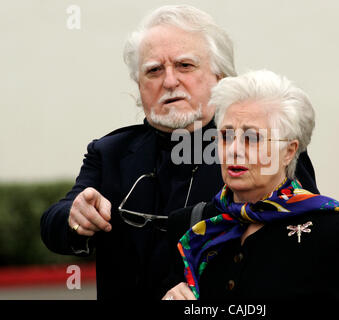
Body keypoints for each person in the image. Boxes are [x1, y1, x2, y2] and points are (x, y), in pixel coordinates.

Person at [40, 6, 319, 300]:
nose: (169, 81)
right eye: (154, 70)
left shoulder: (262, 151)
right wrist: (75, 217)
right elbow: (53, 226)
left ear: (220, 77)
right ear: (138, 85)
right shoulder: (111, 152)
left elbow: (304, 244)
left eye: (185, 65)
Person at [162, 70, 339, 300]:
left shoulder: (332, 232)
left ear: (289, 151)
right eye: (226, 135)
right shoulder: (190, 226)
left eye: (252, 138)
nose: (234, 150)